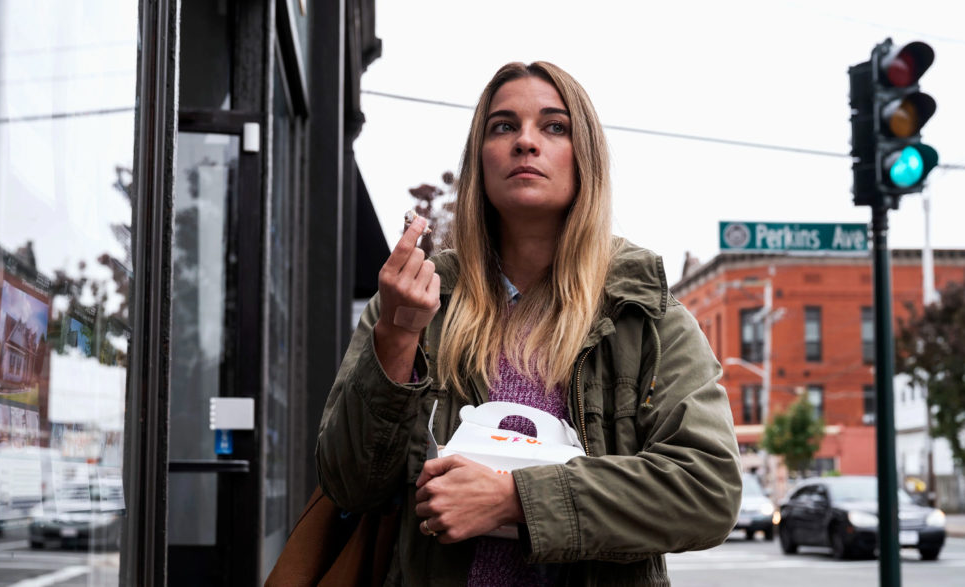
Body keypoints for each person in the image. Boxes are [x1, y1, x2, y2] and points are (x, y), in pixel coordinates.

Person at [316, 61, 742, 586]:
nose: (525, 142)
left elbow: (707, 491)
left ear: (584, 155)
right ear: (480, 159)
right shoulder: (418, 299)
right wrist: (398, 335)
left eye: (553, 126)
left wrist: (515, 499)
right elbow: (350, 486)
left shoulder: (646, 314)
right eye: (503, 126)